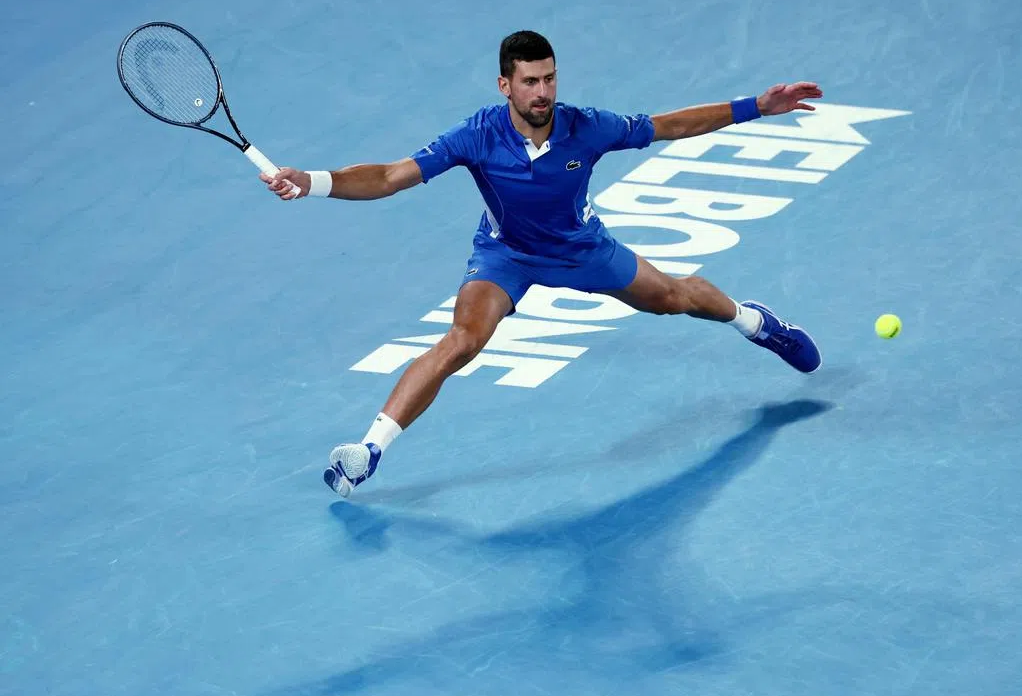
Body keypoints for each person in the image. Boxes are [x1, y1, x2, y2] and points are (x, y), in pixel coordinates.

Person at [261, 30, 824, 497]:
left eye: (550, 77)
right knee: (462, 340)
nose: (543, 90)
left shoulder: (588, 126)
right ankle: (369, 451)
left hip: (581, 249)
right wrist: (310, 182)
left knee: (674, 298)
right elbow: (388, 177)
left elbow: (667, 126)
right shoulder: (477, 135)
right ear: (505, 84)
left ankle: (754, 323)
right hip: (506, 254)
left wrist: (757, 107)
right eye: (530, 80)